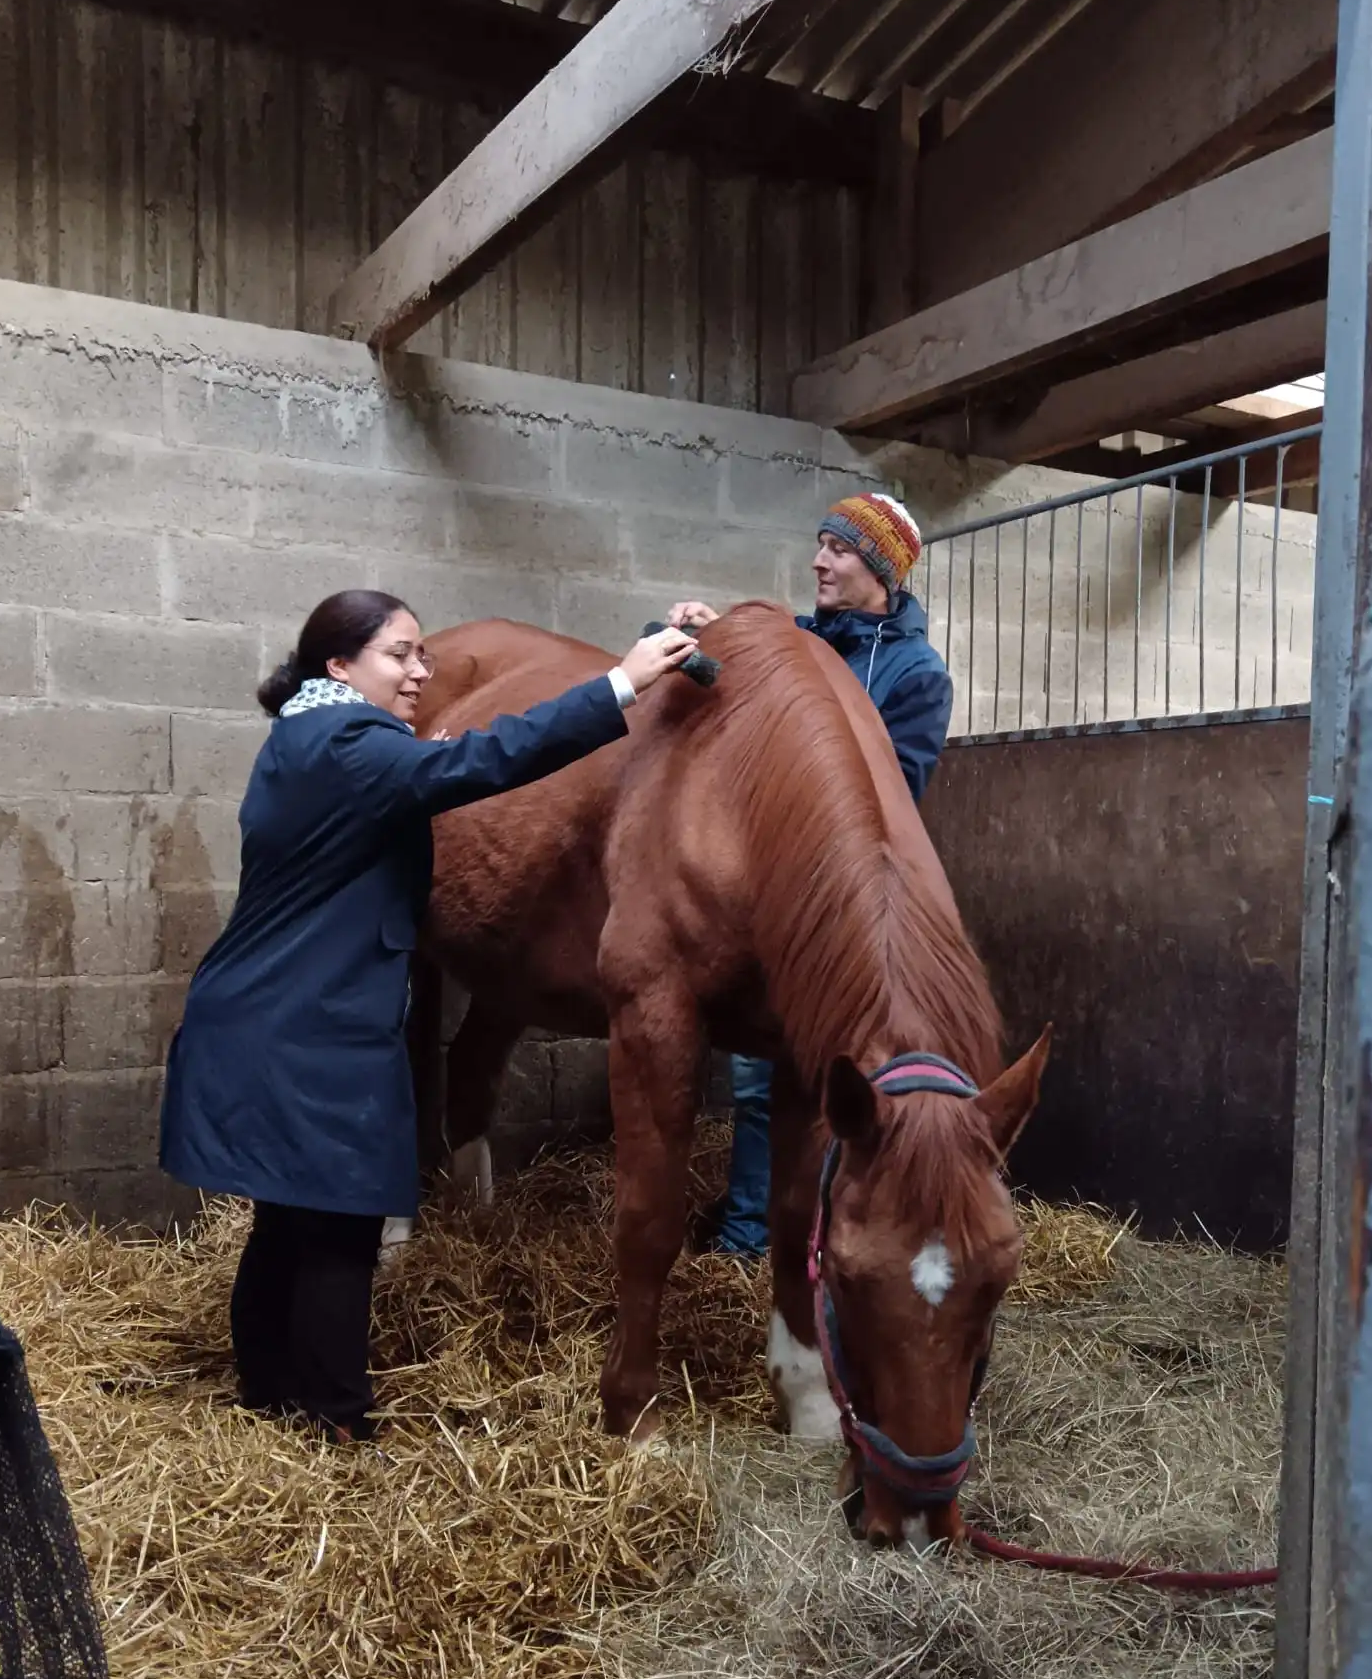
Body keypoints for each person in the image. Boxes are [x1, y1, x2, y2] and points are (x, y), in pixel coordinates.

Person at [159, 589, 697, 1441]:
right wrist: (621, 684)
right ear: (340, 667)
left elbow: (415, 774)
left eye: (420, 656)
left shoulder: (315, 733)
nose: (419, 670)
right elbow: (487, 761)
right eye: (399, 655)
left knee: (288, 1216)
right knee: (342, 1218)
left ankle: (267, 1393)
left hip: (273, 1013)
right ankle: (338, 1422)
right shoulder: (346, 744)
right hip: (305, 1026)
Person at [669, 492, 953, 1258]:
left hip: (845, 911)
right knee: (757, 1079)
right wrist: (702, 635)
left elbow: (899, 794)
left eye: (840, 548)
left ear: (883, 570)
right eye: (820, 543)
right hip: (762, 895)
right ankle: (748, 1233)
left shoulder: (914, 674)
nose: (820, 561)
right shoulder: (796, 640)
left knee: (818, 1080)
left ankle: (812, 1234)